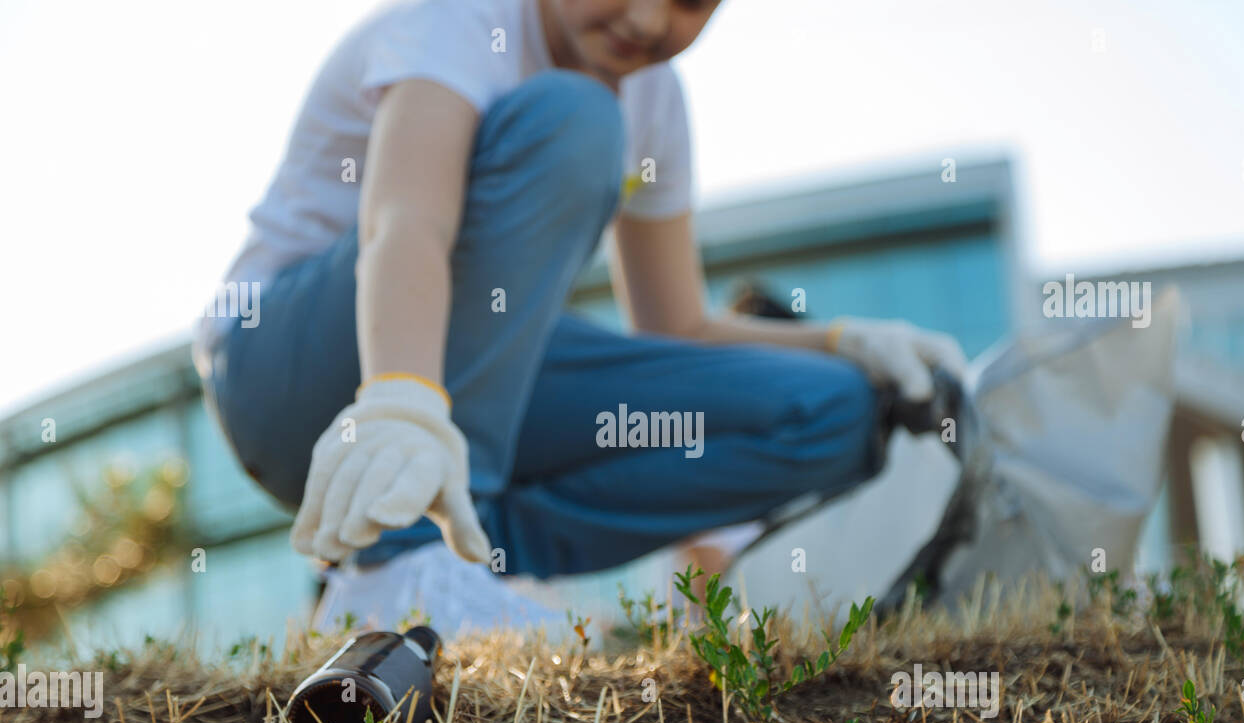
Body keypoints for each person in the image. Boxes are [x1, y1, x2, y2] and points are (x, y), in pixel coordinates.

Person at [192, 0, 966, 636]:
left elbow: (677, 327)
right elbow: (406, 228)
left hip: (474, 389)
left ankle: (471, 554)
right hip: (291, 370)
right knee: (575, 116)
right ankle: (399, 558)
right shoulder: (462, 20)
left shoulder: (654, 100)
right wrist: (399, 400)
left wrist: (842, 344)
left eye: (691, 2)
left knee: (832, 411)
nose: (647, 20)